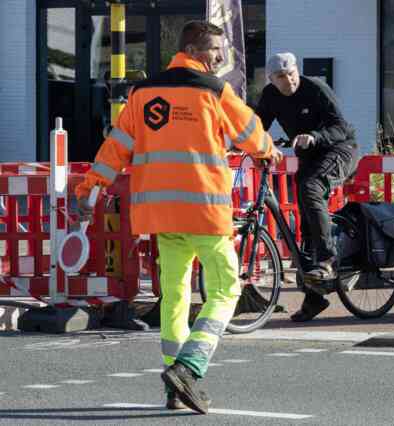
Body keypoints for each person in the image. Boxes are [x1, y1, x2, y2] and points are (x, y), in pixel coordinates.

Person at [75, 21, 282, 414]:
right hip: (204, 210)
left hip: (161, 215)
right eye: (218, 50)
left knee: (175, 296)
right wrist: (269, 151)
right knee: (225, 290)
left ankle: (173, 383)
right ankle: (189, 368)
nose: (222, 57)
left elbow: (116, 147)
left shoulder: (142, 93)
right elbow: (252, 132)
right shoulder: (214, 91)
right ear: (200, 51)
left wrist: (88, 188)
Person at [255, 52, 359, 322]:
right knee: (306, 220)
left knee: (311, 188)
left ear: (297, 71)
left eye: (291, 73)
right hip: (310, 157)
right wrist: (241, 144)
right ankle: (315, 298)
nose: (288, 80)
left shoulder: (315, 88)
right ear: (272, 79)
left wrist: (315, 136)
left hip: (340, 150)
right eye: (281, 76)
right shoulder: (270, 96)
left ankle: (327, 260)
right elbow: (257, 127)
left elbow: (342, 127)